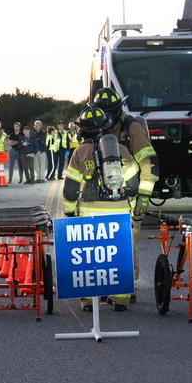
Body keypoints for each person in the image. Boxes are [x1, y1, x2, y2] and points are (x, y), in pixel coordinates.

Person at [60, 87, 157, 310]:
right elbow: (132, 182)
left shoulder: (79, 153)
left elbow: (71, 189)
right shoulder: (121, 150)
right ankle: (122, 297)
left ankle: (87, 300)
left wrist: (70, 213)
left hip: (90, 212)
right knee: (120, 252)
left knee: (88, 254)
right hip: (119, 209)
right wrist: (133, 206)